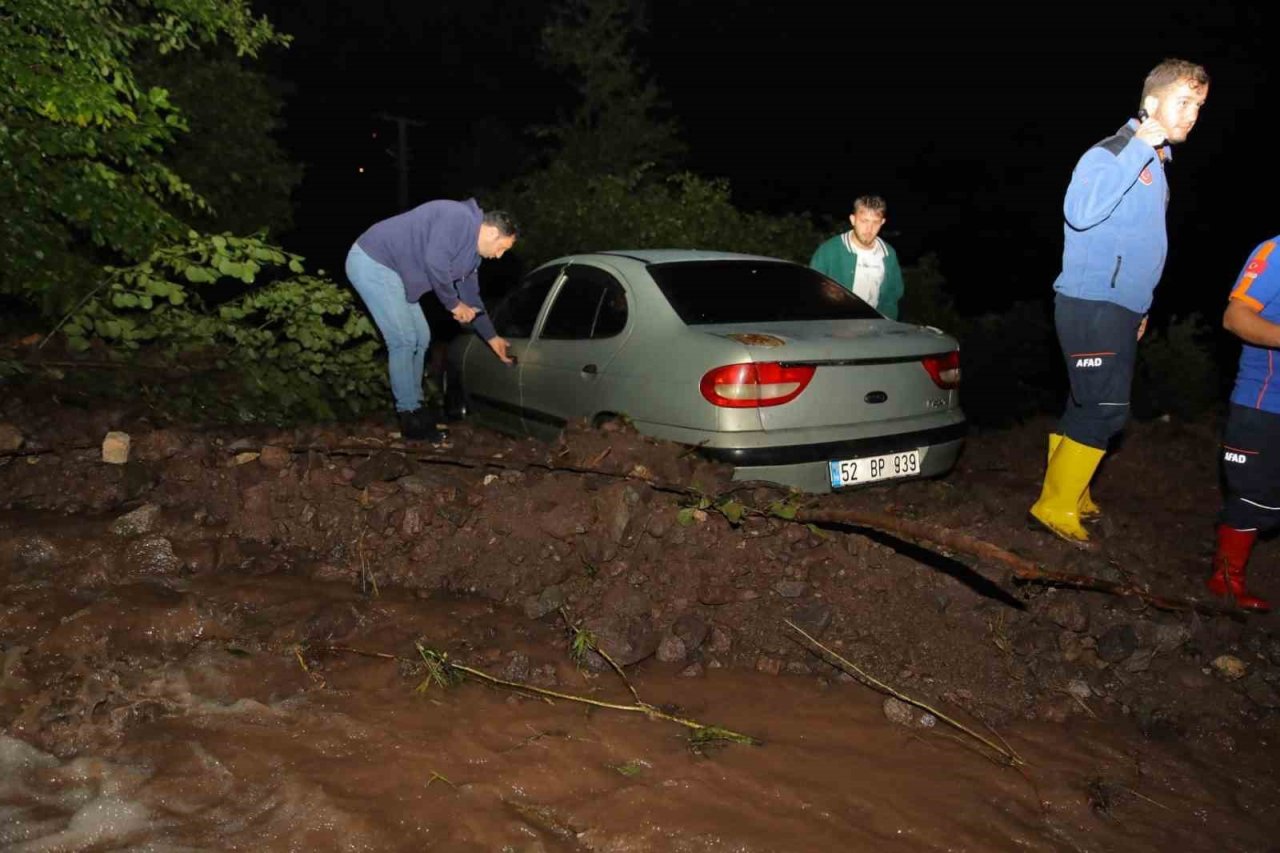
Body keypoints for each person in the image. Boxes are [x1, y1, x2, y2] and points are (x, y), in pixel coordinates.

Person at [1030, 58, 1209, 545]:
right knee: (1106, 409)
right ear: (1152, 104)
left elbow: (1135, 242)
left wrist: (1140, 307)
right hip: (1092, 302)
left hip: (1116, 307)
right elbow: (1080, 212)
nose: (1193, 114)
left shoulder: (1155, 164)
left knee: (1084, 402)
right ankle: (1054, 505)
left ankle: (1074, 492)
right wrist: (1137, 149)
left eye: (1199, 106)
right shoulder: (1112, 153)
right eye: (1184, 102)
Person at [346, 198, 516, 441]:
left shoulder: (472, 258)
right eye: (502, 248)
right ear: (491, 232)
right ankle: (409, 415)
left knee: (421, 337)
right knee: (404, 338)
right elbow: (435, 262)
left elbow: (472, 298)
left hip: (396, 274)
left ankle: (416, 409)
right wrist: (453, 303)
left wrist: (492, 338)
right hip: (373, 261)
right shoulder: (458, 218)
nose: (499, 256)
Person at [1203, 237, 1280, 612]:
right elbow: (1235, 318)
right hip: (1264, 404)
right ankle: (1226, 581)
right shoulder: (1276, 251)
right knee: (1254, 498)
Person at [809, 195, 905, 319]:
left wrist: (886, 323)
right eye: (864, 221)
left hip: (874, 328)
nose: (869, 229)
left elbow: (892, 295)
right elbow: (812, 290)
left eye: (875, 222)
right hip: (834, 326)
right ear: (853, 219)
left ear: (882, 222)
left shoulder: (888, 254)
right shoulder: (829, 251)